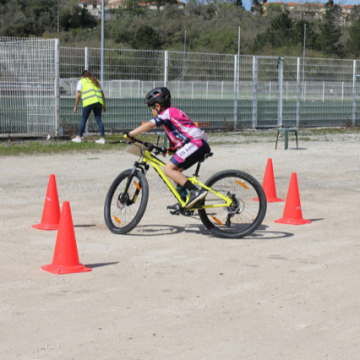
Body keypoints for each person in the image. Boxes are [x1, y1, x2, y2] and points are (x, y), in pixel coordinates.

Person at [126, 87, 211, 210]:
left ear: (157, 106)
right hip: (196, 144)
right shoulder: (170, 117)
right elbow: (182, 138)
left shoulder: (168, 113)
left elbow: (150, 124)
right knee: (176, 175)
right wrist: (169, 150)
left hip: (195, 143)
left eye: (150, 108)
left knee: (168, 169)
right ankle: (186, 203)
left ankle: (195, 192)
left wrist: (131, 134)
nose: (150, 112)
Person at [72, 70, 106, 144]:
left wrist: (75, 106)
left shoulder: (82, 81)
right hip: (98, 102)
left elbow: (78, 95)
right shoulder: (96, 81)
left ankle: (79, 137)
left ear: (83, 76)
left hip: (89, 102)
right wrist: (104, 105)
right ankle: (102, 138)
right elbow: (102, 93)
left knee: (84, 119)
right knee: (99, 120)